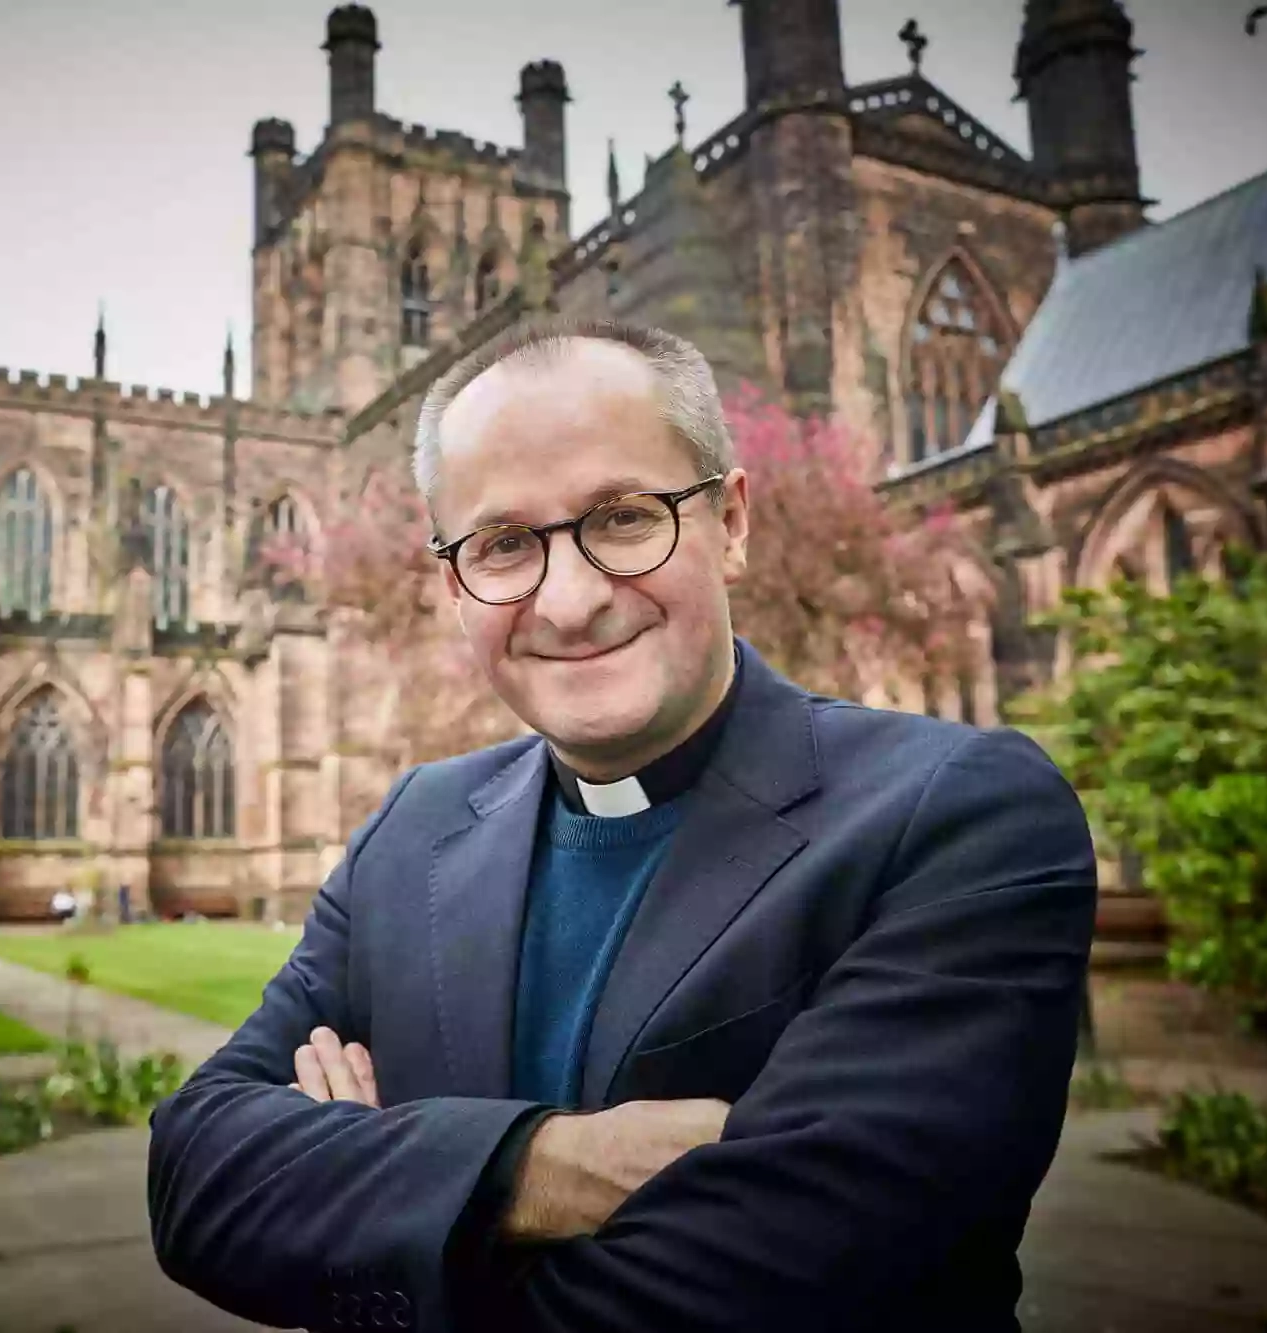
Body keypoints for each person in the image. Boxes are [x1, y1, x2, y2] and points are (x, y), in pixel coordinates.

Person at [147, 320, 1098, 1332]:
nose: (567, 600)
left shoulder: (956, 816)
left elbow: (787, 1285)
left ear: (729, 521)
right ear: (450, 584)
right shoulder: (412, 828)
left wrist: (380, 1185)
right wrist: (538, 1168)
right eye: (503, 544)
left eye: (623, 517)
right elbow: (197, 1175)